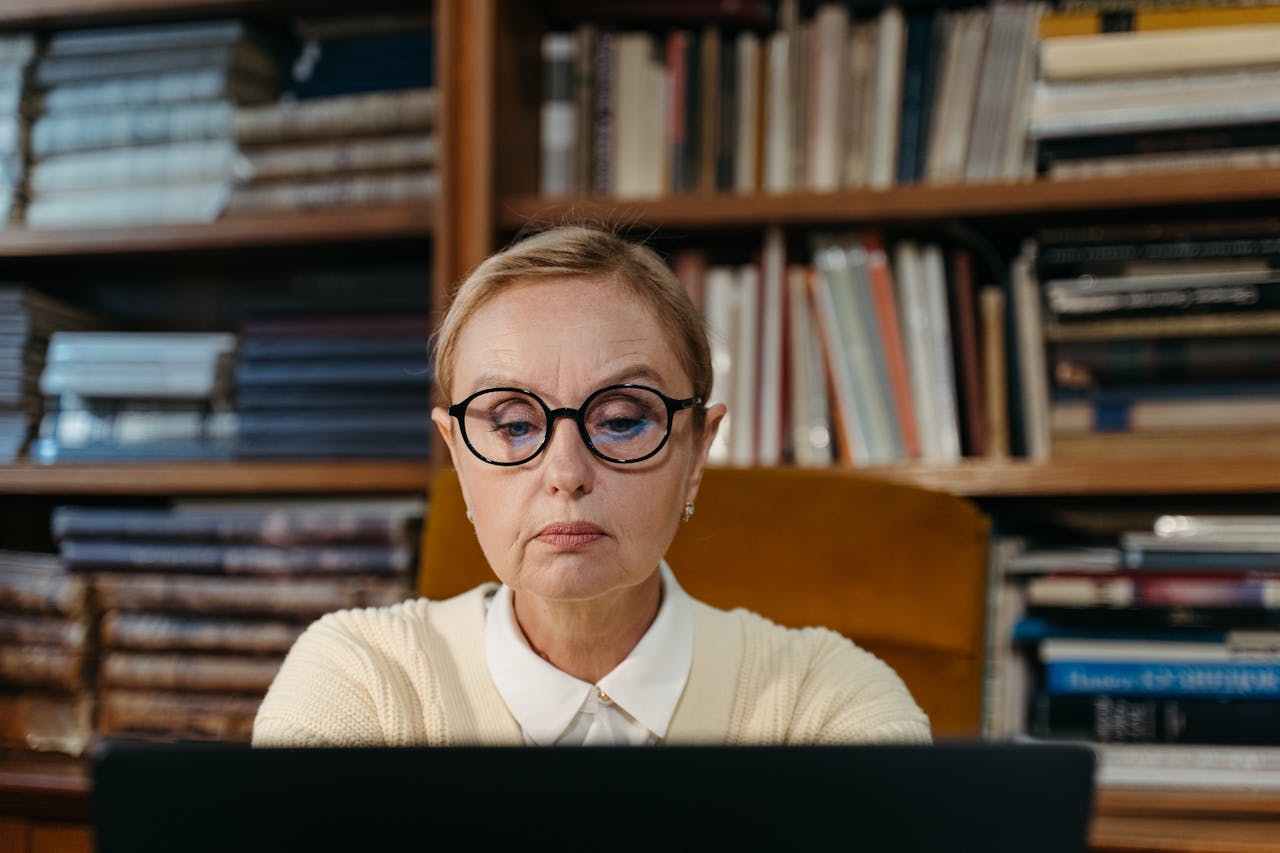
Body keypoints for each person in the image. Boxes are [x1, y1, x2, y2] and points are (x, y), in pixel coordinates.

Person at [252, 225, 931, 747]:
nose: (567, 474)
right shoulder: (362, 683)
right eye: (514, 425)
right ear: (458, 455)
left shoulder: (825, 701)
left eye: (622, 419)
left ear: (696, 448)